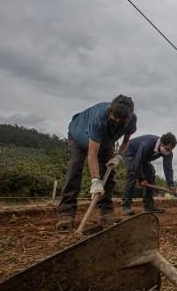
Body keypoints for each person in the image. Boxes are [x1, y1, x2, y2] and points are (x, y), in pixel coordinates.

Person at [56, 95, 137, 230]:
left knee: (109, 172)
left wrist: (119, 156)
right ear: (110, 111)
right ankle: (67, 213)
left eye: (121, 121)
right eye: (114, 119)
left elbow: (126, 141)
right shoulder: (98, 119)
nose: (117, 122)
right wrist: (95, 181)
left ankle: (106, 213)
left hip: (106, 141)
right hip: (79, 137)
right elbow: (92, 152)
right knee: (75, 168)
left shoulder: (132, 120)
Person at [122, 133, 177, 215]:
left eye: (170, 150)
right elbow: (138, 162)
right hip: (131, 153)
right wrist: (142, 179)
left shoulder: (168, 152)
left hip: (143, 158)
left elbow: (168, 168)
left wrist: (171, 185)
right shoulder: (147, 144)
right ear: (161, 143)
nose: (168, 152)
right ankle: (126, 206)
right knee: (132, 173)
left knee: (150, 173)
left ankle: (148, 207)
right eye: (167, 149)